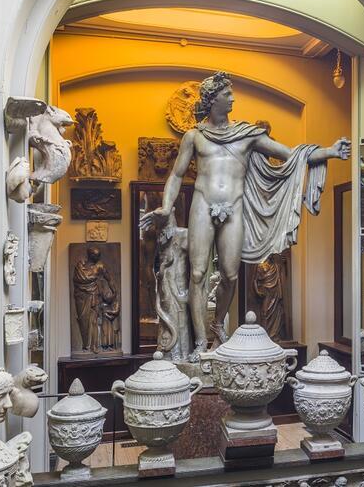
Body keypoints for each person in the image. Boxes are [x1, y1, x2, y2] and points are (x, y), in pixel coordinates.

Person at [140, 72, 349, 358]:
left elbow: (291, 154)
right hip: (202, 203)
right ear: (213, 99)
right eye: (227, 94)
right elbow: (176, 175)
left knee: (229, 274)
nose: (233, 98)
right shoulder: (194, 136)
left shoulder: (247, 135)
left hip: (234, 206)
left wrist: (329, 152)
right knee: (199, 272)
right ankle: (201, 342)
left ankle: (217, 325)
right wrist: (166, 206)